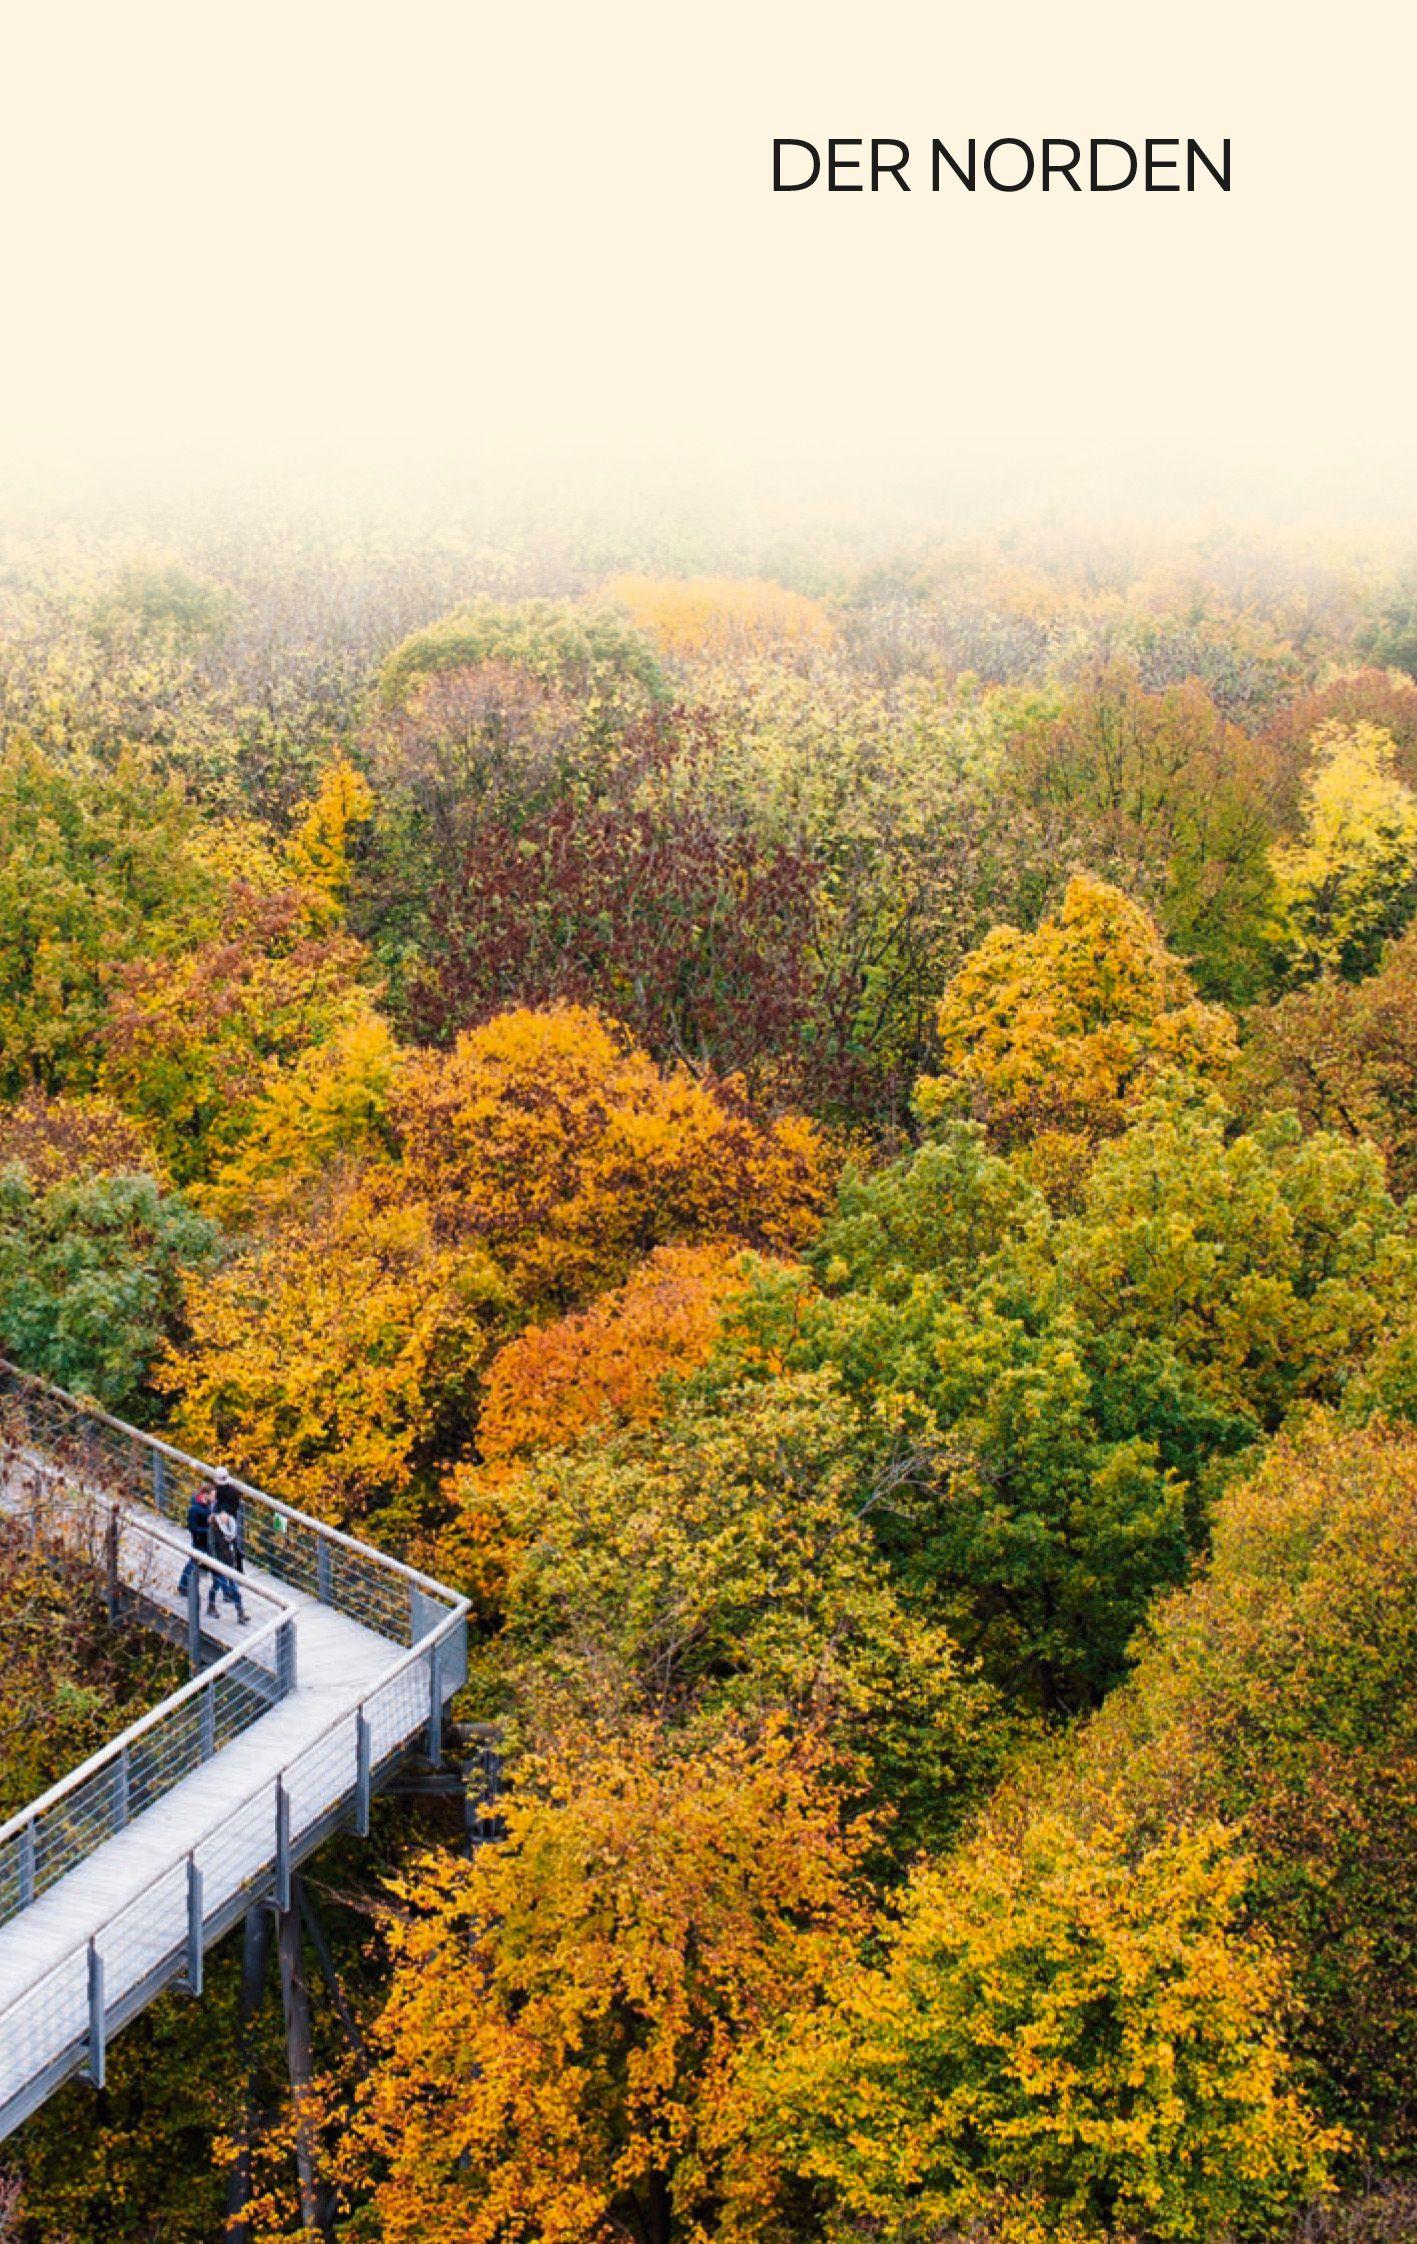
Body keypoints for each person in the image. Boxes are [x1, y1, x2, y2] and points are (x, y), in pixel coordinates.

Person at [208, 1468, 247, 1623]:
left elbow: (232, 1538)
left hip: (227, 1553)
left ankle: (240, 1612)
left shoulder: (229, 1523)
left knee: (231, 1583)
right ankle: (212, 1605)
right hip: (219, 1554)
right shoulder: (214, 1524)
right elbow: (212, 1543)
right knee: (218, 1582)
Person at [177, 1483, 214, 1602]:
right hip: (199, 1540)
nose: (214, 1498)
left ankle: (186, 1585)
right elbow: (192, 1528)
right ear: (205, 1495)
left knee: (195, 1563)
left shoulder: (207, 1506)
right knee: (193, 1563)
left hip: (205, 1540)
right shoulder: (195, 1509)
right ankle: (184, 1585)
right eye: (212, 1495)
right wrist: (208, 1530)